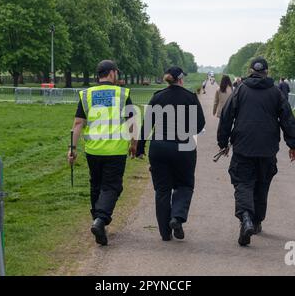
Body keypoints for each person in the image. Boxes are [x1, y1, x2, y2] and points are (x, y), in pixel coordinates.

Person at [217, 57, 295, 247]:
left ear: (249, 71)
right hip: (267, 149)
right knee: (262, 185)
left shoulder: (240, 91)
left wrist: (223, 142)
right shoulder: (276, 92)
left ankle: (246, 217)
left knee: (243, 183)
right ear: (267, 72)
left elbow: (226, 117)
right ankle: (256, 222)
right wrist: (293, 144)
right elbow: (288, 119)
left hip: (243, 148)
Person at [68, 60, 137, 246]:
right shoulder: (122, 93)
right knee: (112, 187)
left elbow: (78, 124)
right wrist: (134, 143)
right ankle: (100, 220)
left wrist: (72, 149)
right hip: (115, 150)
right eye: (117, 72)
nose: (118, 76)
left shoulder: (87, 94)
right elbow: (132, 122)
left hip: (93, 150)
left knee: (96, 185)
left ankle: (97, 221)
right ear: (112, 73)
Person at [137, 67, 206, 242]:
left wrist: (139, 148)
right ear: (181, 79)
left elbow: (147, 125)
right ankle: (177, 217)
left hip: (159, 148)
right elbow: (200, 124)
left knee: (162, 190)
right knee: (184, 185)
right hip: (184, 147)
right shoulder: (190, 97)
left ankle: (165, 233)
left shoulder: (157, 97)